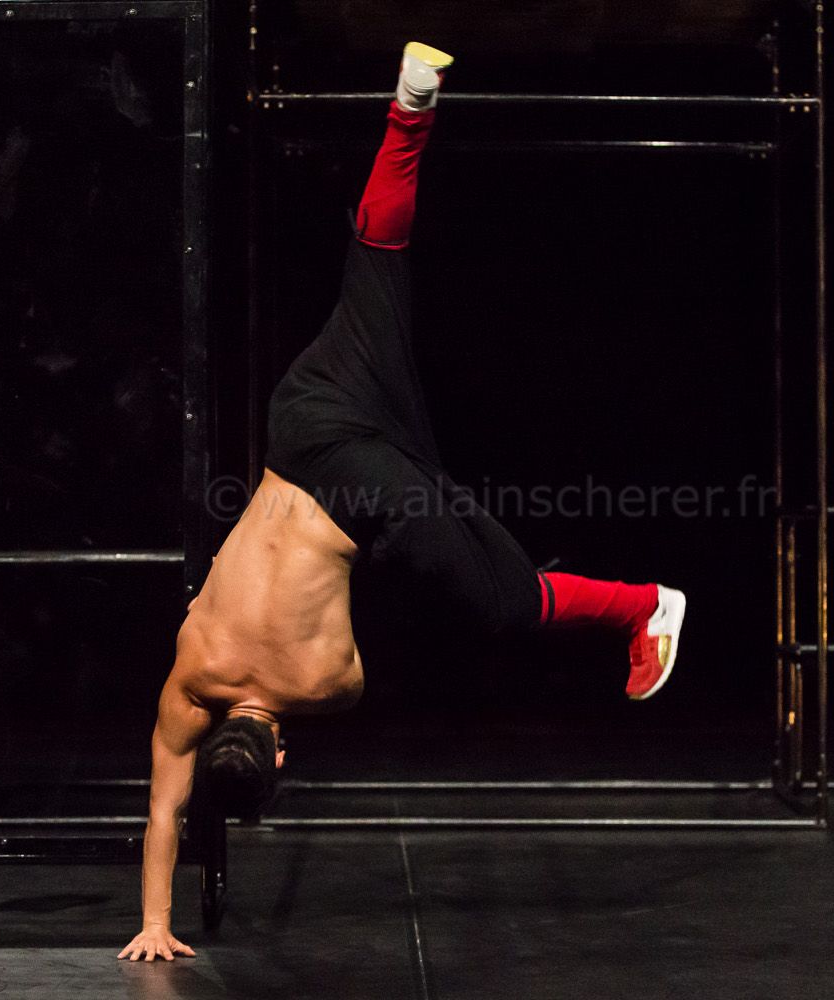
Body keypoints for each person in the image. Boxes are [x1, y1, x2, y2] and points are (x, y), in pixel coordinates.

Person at [118, 42, 687, 962]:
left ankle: (644, 606)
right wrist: (149, 918)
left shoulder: (320, 691)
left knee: (504, 601)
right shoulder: (189, 676)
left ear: (282, 759)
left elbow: (174, 804)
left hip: (364, 487)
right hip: (299, 426)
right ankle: (411, 103)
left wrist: (164, 925)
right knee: (374, 262)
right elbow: (163, 806)